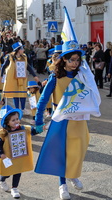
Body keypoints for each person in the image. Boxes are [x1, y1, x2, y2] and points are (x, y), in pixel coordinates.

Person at [34, 39, 101, 200]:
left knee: (79, 148)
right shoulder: (55, 77)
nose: (75, 63)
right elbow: (43, 99)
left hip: (79, 120)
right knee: (61, 152)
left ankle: (72, 174)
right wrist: (38, 120)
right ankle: (62, 184)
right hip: (62, 119)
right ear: (64, 59)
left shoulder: (82, 75)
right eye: (72, 60)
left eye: (78, 60)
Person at [0, 106, 39, 198]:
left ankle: (14, 188)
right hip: (7, 156)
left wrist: (42, 128)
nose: (16, 121)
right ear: (7, 122)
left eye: (17, 119)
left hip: (18, 156)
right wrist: (1, 153)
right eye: (13, 120)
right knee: (7, 172)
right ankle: (2, 179)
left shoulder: (23, 128)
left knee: (17, 171)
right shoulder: (2, 132)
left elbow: (33, 131)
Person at [1, 42, 39, 114]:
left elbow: (28, 67)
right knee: (15, 94)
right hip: (13, 78)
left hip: (22, 78)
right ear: (18, 50)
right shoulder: (10, 56)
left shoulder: (24, 56)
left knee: (23, 93)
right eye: (22, 49)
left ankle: (23, 108)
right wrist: (0, 76)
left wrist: (35, 75)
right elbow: (4, 66)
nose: (23, 50)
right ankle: (17, 109)